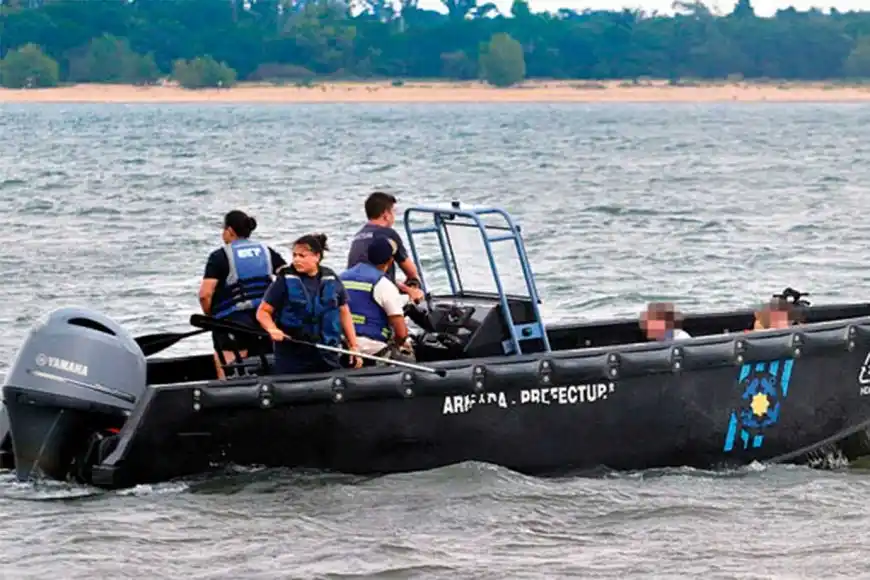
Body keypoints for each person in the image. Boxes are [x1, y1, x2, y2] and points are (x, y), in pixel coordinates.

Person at [256, 233, 363, 375]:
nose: (296, 260)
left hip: (326, 353)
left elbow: (344, 311)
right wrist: (272, 329)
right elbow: (263, 312)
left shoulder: (331, 278)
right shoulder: (284, 281)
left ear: (317, 257)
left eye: (302, 256)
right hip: (293, 355)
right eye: (294, 255)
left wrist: (353, 346)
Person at [199, 210, 286, 379]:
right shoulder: (266, 251)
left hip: (234, 323)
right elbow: (288, 277)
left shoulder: (220, 256)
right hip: (266, 320)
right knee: (269, 368)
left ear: (230, 230)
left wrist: (211, 317)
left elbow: (205, 294)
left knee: (229, 374)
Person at [340, 237, 415, 362]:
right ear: (391, 260)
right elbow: (401, 333)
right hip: (370, 348)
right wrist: (397, 345)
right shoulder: (383, 283)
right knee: (408, 356)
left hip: (341, 344)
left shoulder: (341, 277)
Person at [346, 192, 425, 304]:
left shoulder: (358, 235)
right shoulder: (388, 234)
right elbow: (411, 272)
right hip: (376, 295)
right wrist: (410, 290)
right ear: (386, 214)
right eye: (393, 212)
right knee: (416, 289)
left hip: (353, 293)